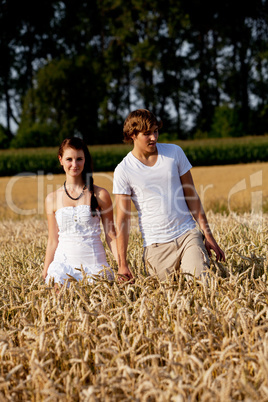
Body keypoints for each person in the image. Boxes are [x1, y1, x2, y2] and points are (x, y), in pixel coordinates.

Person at [113, 109, 225, 282]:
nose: (154, 138)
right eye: (147, 134)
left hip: (187, 235)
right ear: (132, 135)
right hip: (156, 247)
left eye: (156, 131)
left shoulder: (174, 153)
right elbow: (122, 220)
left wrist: (208, 235)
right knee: (168, 300)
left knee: (202, 284)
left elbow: (191, 196)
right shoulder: (124, 170)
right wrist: (122, 264)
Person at [43, 137, 117, 286]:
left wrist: (122, 266)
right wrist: (45, 271)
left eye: (79, 159)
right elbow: (52, 240)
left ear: (85, 160)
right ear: (60, 160)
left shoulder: (100, 195)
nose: (74, 164)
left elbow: (111, 235)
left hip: (95, 267)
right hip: (63, 268)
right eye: (69, 159)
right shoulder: (52, 199)